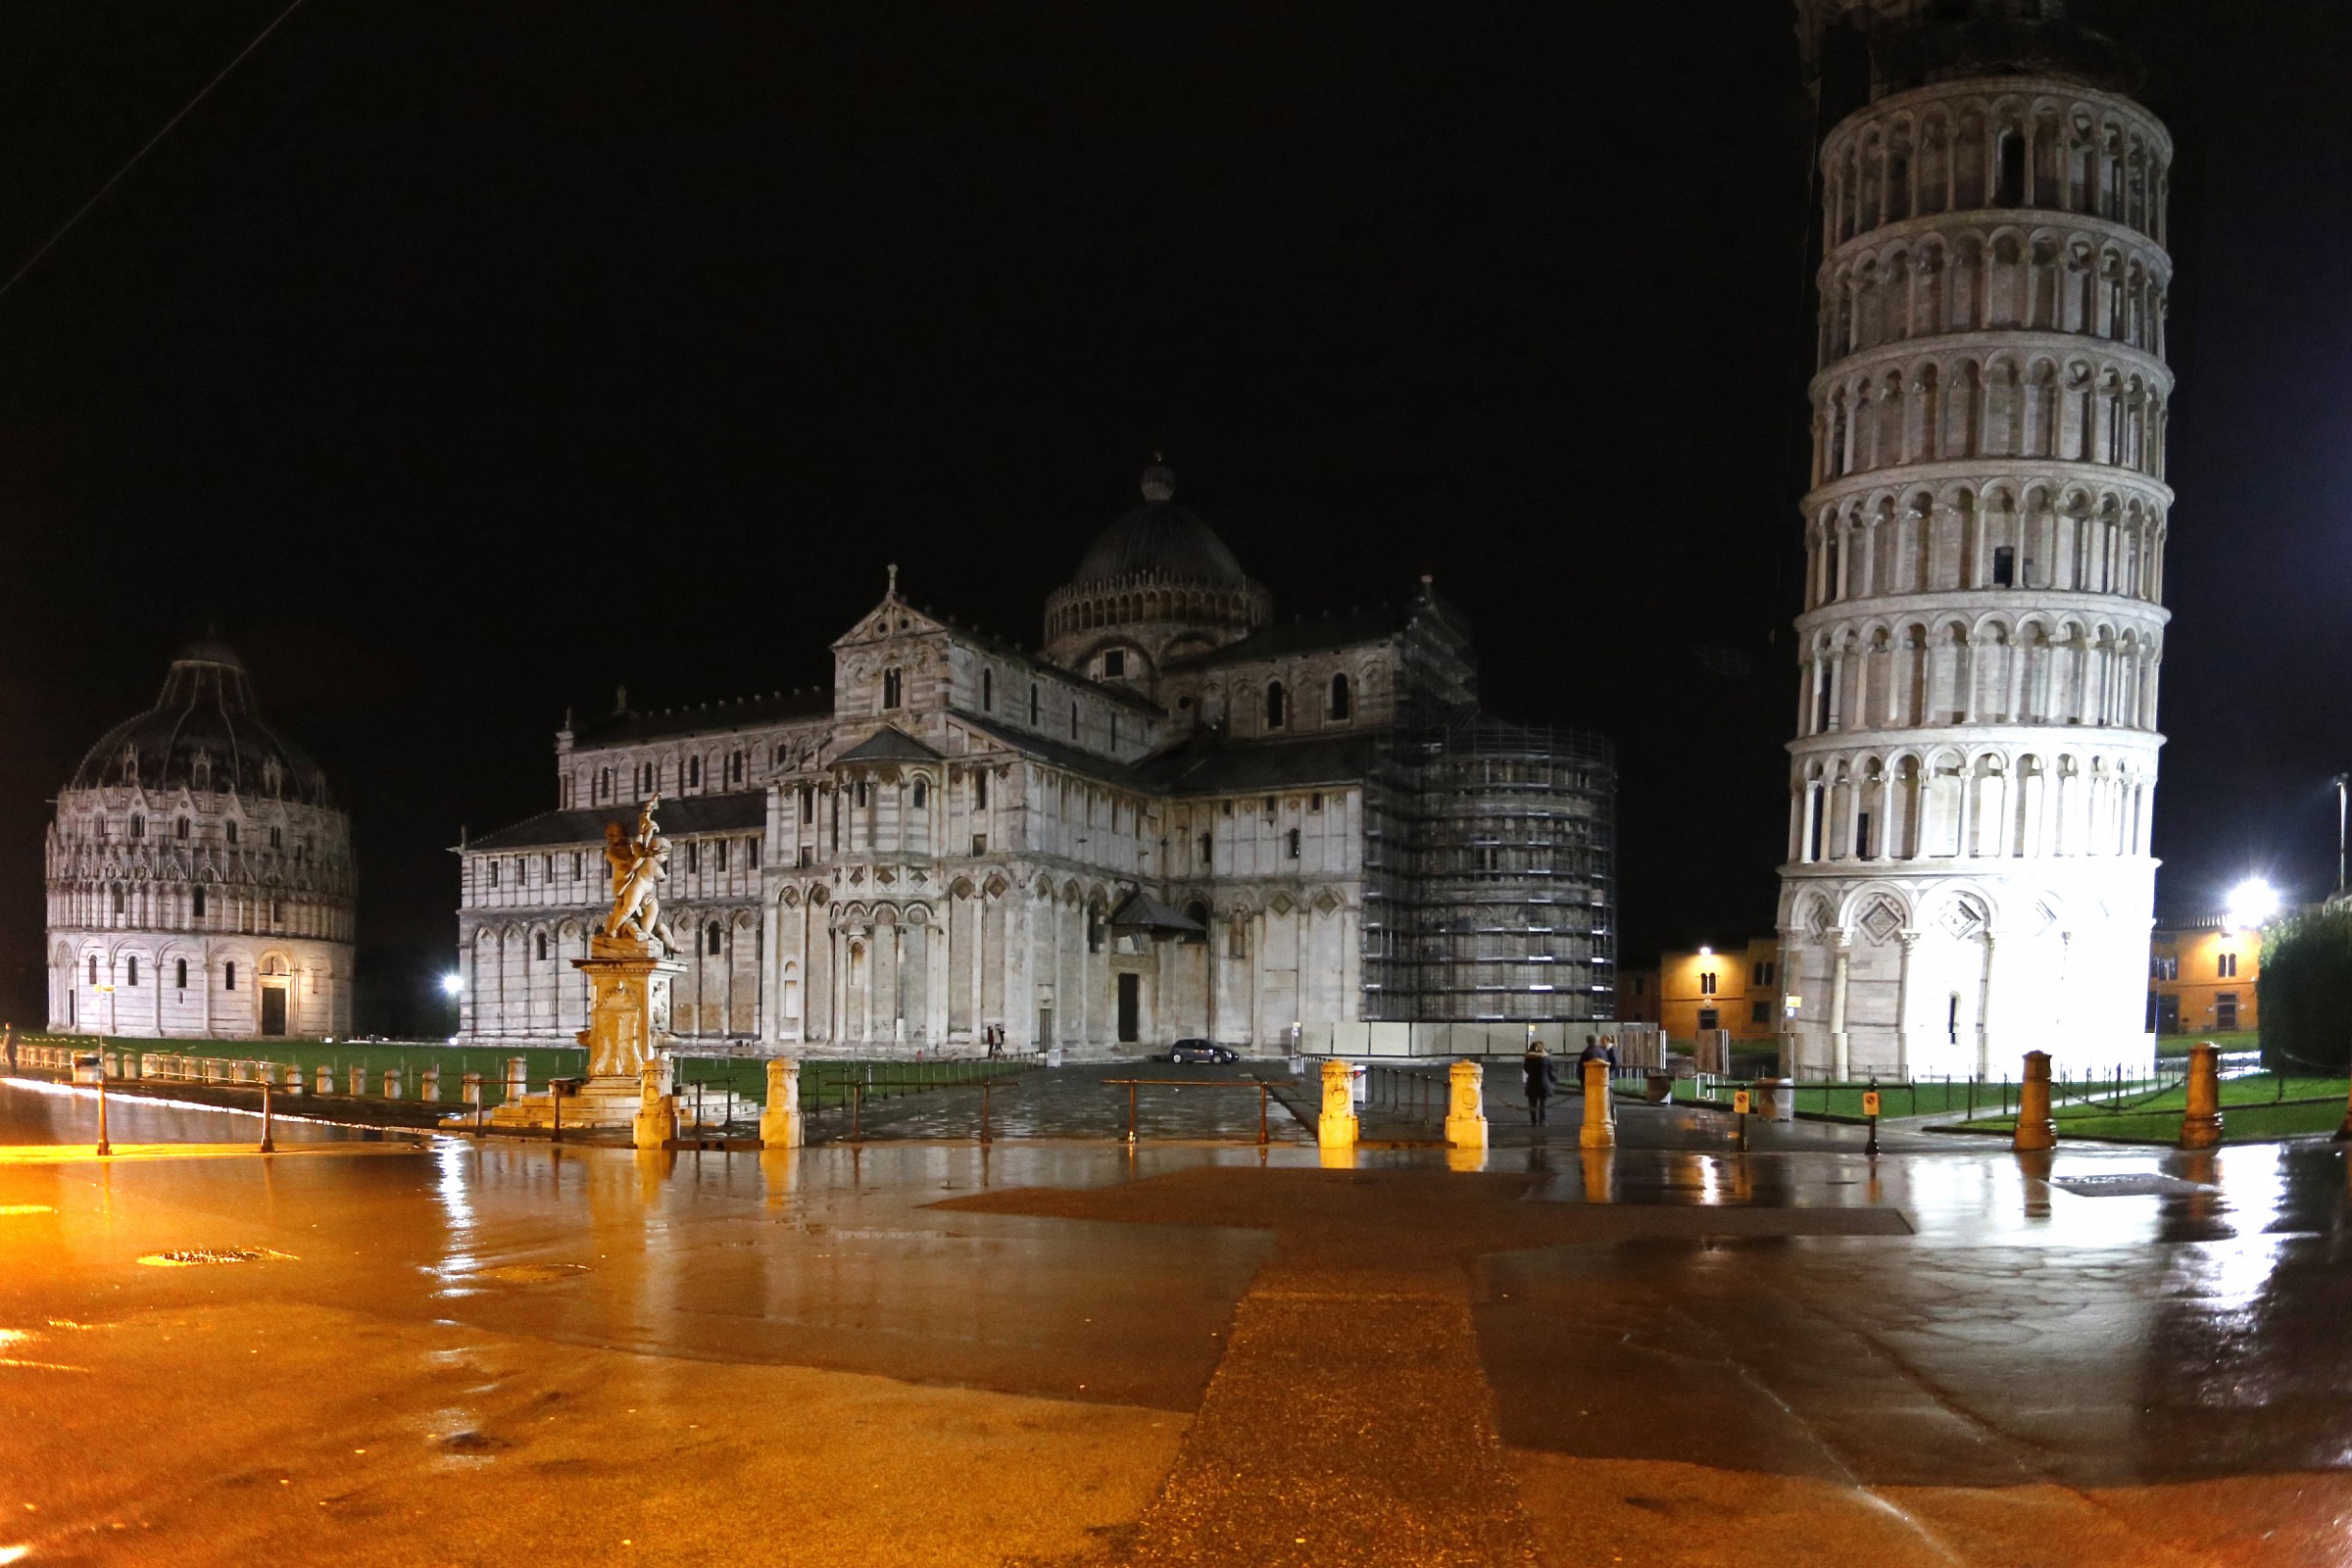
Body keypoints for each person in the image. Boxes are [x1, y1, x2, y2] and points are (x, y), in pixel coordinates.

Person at [1523, 1042, 1556, 1125]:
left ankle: (1533, 1121)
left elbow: (1526, 1069)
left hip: (1532, 1083)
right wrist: (1553, 1080)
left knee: (1532, 1103)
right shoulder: (1546, 1059)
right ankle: (1542, 1121)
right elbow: (1550, 1071)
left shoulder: (1529, 1059)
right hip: (1543, 1083)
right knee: (1542, 1103)